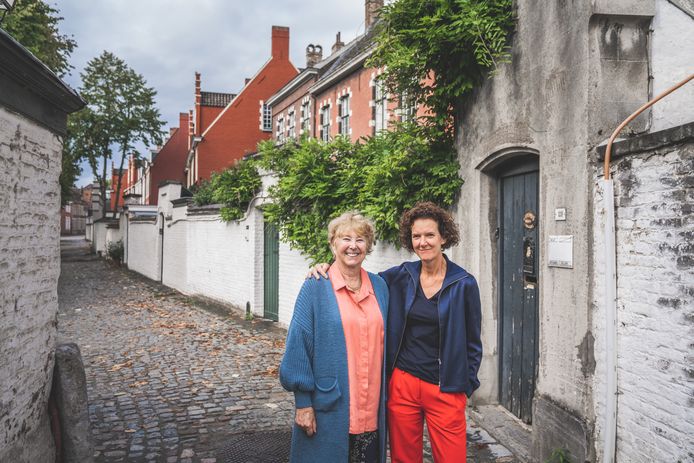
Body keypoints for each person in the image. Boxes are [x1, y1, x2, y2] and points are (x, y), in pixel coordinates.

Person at [310, 202, 482, 462]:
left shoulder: (464, 283)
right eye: (416, 236)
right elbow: (355, 275)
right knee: (403, 458)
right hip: (403, 383)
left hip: (445, 387)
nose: (422, 242)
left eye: (429, 235)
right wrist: (324, 268)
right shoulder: (400, 276)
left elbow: (473, 342)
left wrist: (465, 384)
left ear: (443, 237)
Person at [280, 211, 389, 463]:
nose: (353, 246)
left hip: (371, 408)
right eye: (345, 238)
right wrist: (303, 404)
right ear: (333, 243)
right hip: (329, 408)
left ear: (368, 246)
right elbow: (298, 346)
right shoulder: (316, 286)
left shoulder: (380, 287)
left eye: (360, 239)